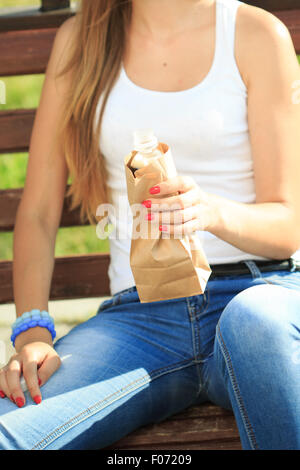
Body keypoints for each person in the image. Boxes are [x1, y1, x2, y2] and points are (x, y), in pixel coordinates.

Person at [0, 0, 300, 450]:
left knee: (252, 321)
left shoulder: (254, 34)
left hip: (255, 294)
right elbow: (40, 213)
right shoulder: (81, 42)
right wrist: (33, 334)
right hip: (141, 320)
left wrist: (211, 212)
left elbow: (288, 221)